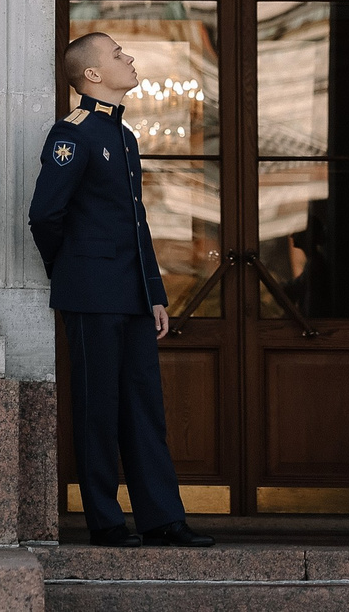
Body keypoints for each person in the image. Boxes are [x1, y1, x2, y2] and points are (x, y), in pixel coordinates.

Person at [29, 30, 214, 549]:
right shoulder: (74, 134)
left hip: (131, 295)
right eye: (116, 55)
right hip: (91, 294)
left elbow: (137, 223)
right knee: (97, 410)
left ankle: (163, 518)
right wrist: (71, 273)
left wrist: (154, 292)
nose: (129, 59)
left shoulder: (123, 136)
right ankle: (106, 523)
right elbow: (44, 214)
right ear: (92, 74)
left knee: (144, 408)